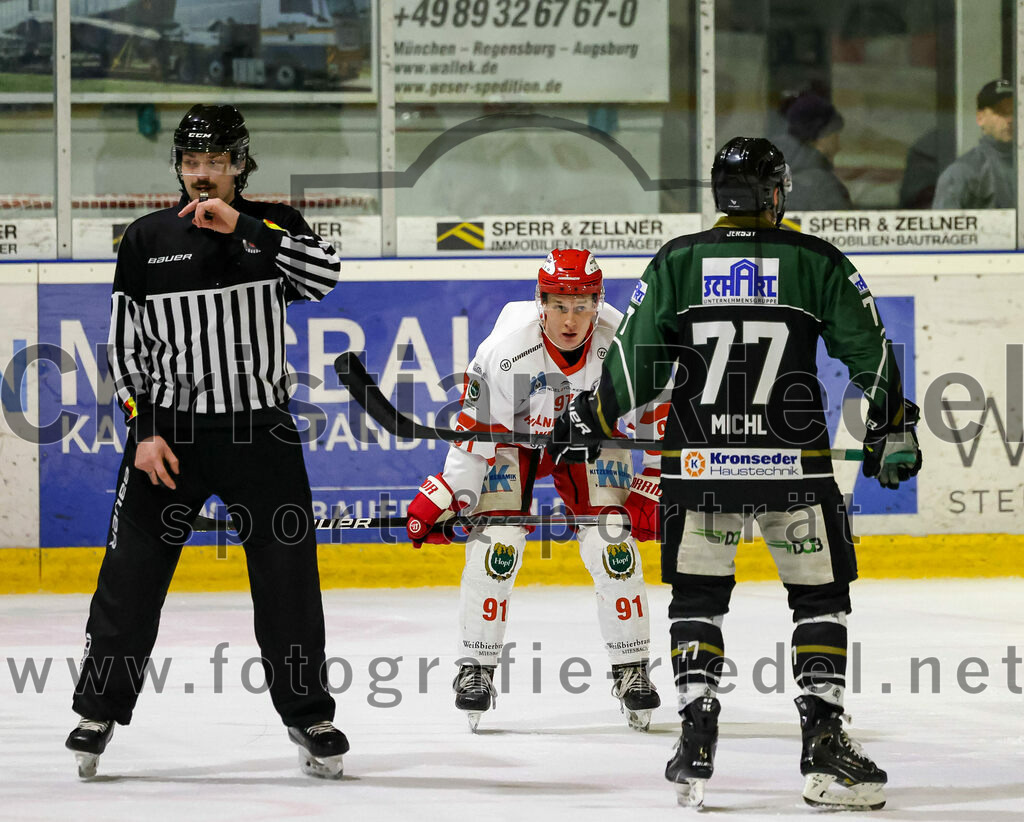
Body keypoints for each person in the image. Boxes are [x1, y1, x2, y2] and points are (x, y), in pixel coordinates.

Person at [549, 137, 922, 810]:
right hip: (793, 466)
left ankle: (695, 732)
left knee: (697, 600)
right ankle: (823, 738)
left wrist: (591, 416)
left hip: (700, 465)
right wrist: (894, 423)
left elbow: (636, 367)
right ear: (776, 193)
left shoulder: (679, 261)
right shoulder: (815, 261)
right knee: (819, 600)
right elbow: (870, 350)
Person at [65, 105, 348, 780]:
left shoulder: (274, 225)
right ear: (179, 168)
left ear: (240, 165)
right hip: (172, 439)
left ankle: (308, 714)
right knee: (129, 580)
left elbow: (326, 278)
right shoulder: (145, 240)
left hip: (262, 432)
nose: (202, 177)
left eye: (216, 164)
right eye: (192, 164)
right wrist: (145, 429)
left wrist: (247, 228)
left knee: (288, 584)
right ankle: (98, 710)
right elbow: (126, 347)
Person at [405, 249, 661, 732]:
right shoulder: (505, 351)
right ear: (539, 302)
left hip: (592, 437)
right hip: (512, 440)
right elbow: (474, 437)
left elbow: (657, 412)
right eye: (559, 305)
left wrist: (653, 483)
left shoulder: (623, 342)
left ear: (598, 302)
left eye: (583, 305)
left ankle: (632, 669)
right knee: (495, 542)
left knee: (613, 544)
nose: (570, 319)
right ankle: (475, 669)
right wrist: (451, 499)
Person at [932, 79, 1014, 209]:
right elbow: (945, 227)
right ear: (980, 118)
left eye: (1015, 111)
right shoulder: (963, 172)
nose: (1010, 119)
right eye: (1001, 111)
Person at [773, 92, 853, 211]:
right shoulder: (823, 186)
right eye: (835, 135)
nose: (838, 147)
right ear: (823, 136)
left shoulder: (772, 181)